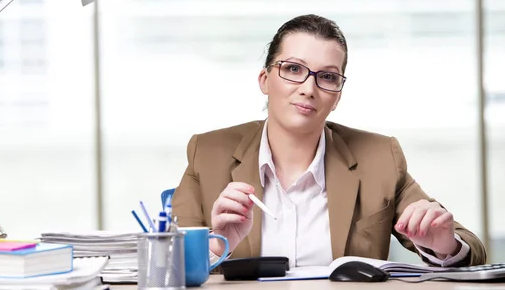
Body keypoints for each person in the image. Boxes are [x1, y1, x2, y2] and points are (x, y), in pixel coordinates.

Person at [171, 14, 486, 268]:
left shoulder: (379, 158)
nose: (309, 88)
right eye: (293, 69)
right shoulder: (208, 153)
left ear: (337, 96)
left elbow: (470, 249)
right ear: (265, 80)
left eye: (327, 76)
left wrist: (443, 245)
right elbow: (166, 267)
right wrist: (216, 245)